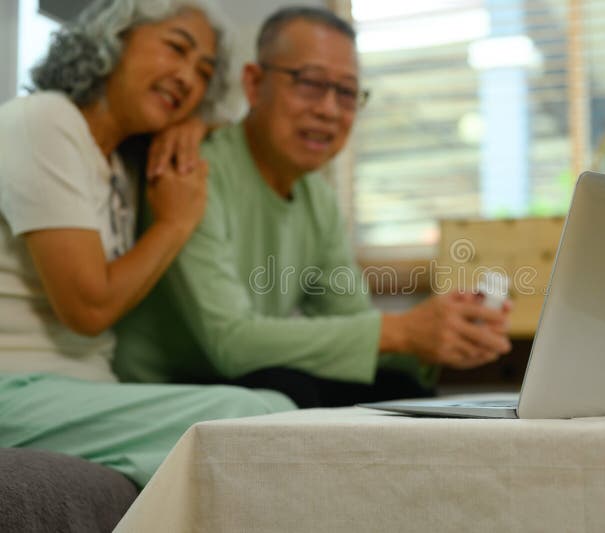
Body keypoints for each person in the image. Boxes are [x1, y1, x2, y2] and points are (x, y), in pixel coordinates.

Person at [114, 6, 513, 408]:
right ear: (253, 84)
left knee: (398, 390)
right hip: (170, 392)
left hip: (243, 380)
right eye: (309, 83)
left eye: (346, 92)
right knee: (291, 389)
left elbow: (353, 320)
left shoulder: (317, 198)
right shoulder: (192, 171)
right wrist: (404, 332)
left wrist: (448, 333)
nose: (328, 110)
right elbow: (229, 341)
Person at [0, 0, 295, 489]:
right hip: (15, 386)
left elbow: (235, 118)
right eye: (176, 48)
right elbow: (88, 308)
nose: (187, 77)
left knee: (270, 413)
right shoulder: (43, 121)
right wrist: (175, 223)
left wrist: (193, 122)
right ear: (112, 39)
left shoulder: (121, 160)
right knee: (258, 414)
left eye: (203, 73)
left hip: (80, 389)